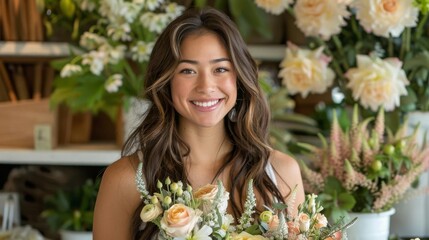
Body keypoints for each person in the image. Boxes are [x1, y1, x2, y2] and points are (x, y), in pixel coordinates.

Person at [93, 7, 305, 240]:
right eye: (188, 71)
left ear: (239, 78)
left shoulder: (282, 172)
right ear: (166, 82)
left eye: (220, 69)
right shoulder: (124, 179)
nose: (206, 86)